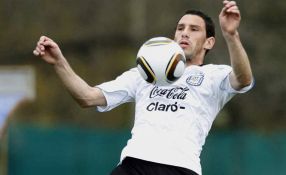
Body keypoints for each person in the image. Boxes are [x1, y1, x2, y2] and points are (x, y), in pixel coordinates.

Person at [33, 1, 253, 175]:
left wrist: (231, 35)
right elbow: (88, 97)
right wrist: (60, 63)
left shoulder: (213, 76)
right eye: (180, 28)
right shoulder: (146, 73)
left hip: (180, 167)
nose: (184, 33)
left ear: (209, 43)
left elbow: (243, 79)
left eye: (194, 29)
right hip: (134, 164)